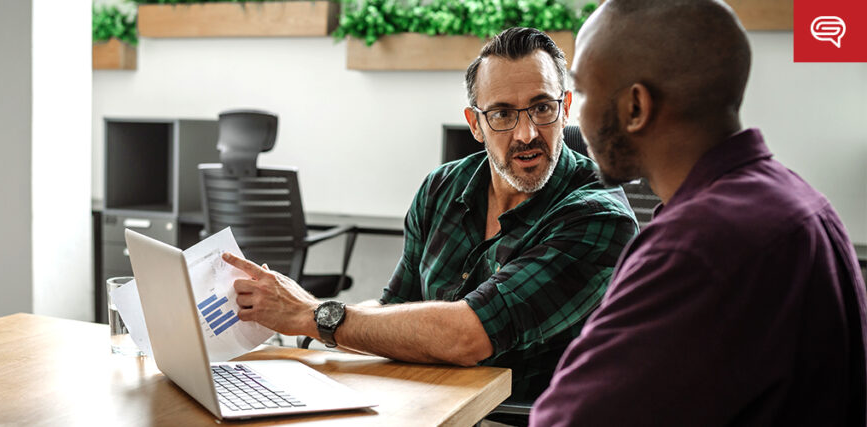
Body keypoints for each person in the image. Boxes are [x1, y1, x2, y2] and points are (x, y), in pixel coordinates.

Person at [222, 27, 638, 405]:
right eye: (503, 114)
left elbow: (469, 336)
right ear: (476, 124)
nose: (526, 134)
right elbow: (393, 311)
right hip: (421, 399)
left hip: (514, 415)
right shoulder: (442, 188)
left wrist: (311, 315)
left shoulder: (599, 217)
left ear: (565, 109)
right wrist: (298, 342)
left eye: (542, 108)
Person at [531, 1, 867, 425]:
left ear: (635, 107)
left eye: (580, 91)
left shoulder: (699, 247)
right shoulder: (801, 201)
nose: (574, 115)